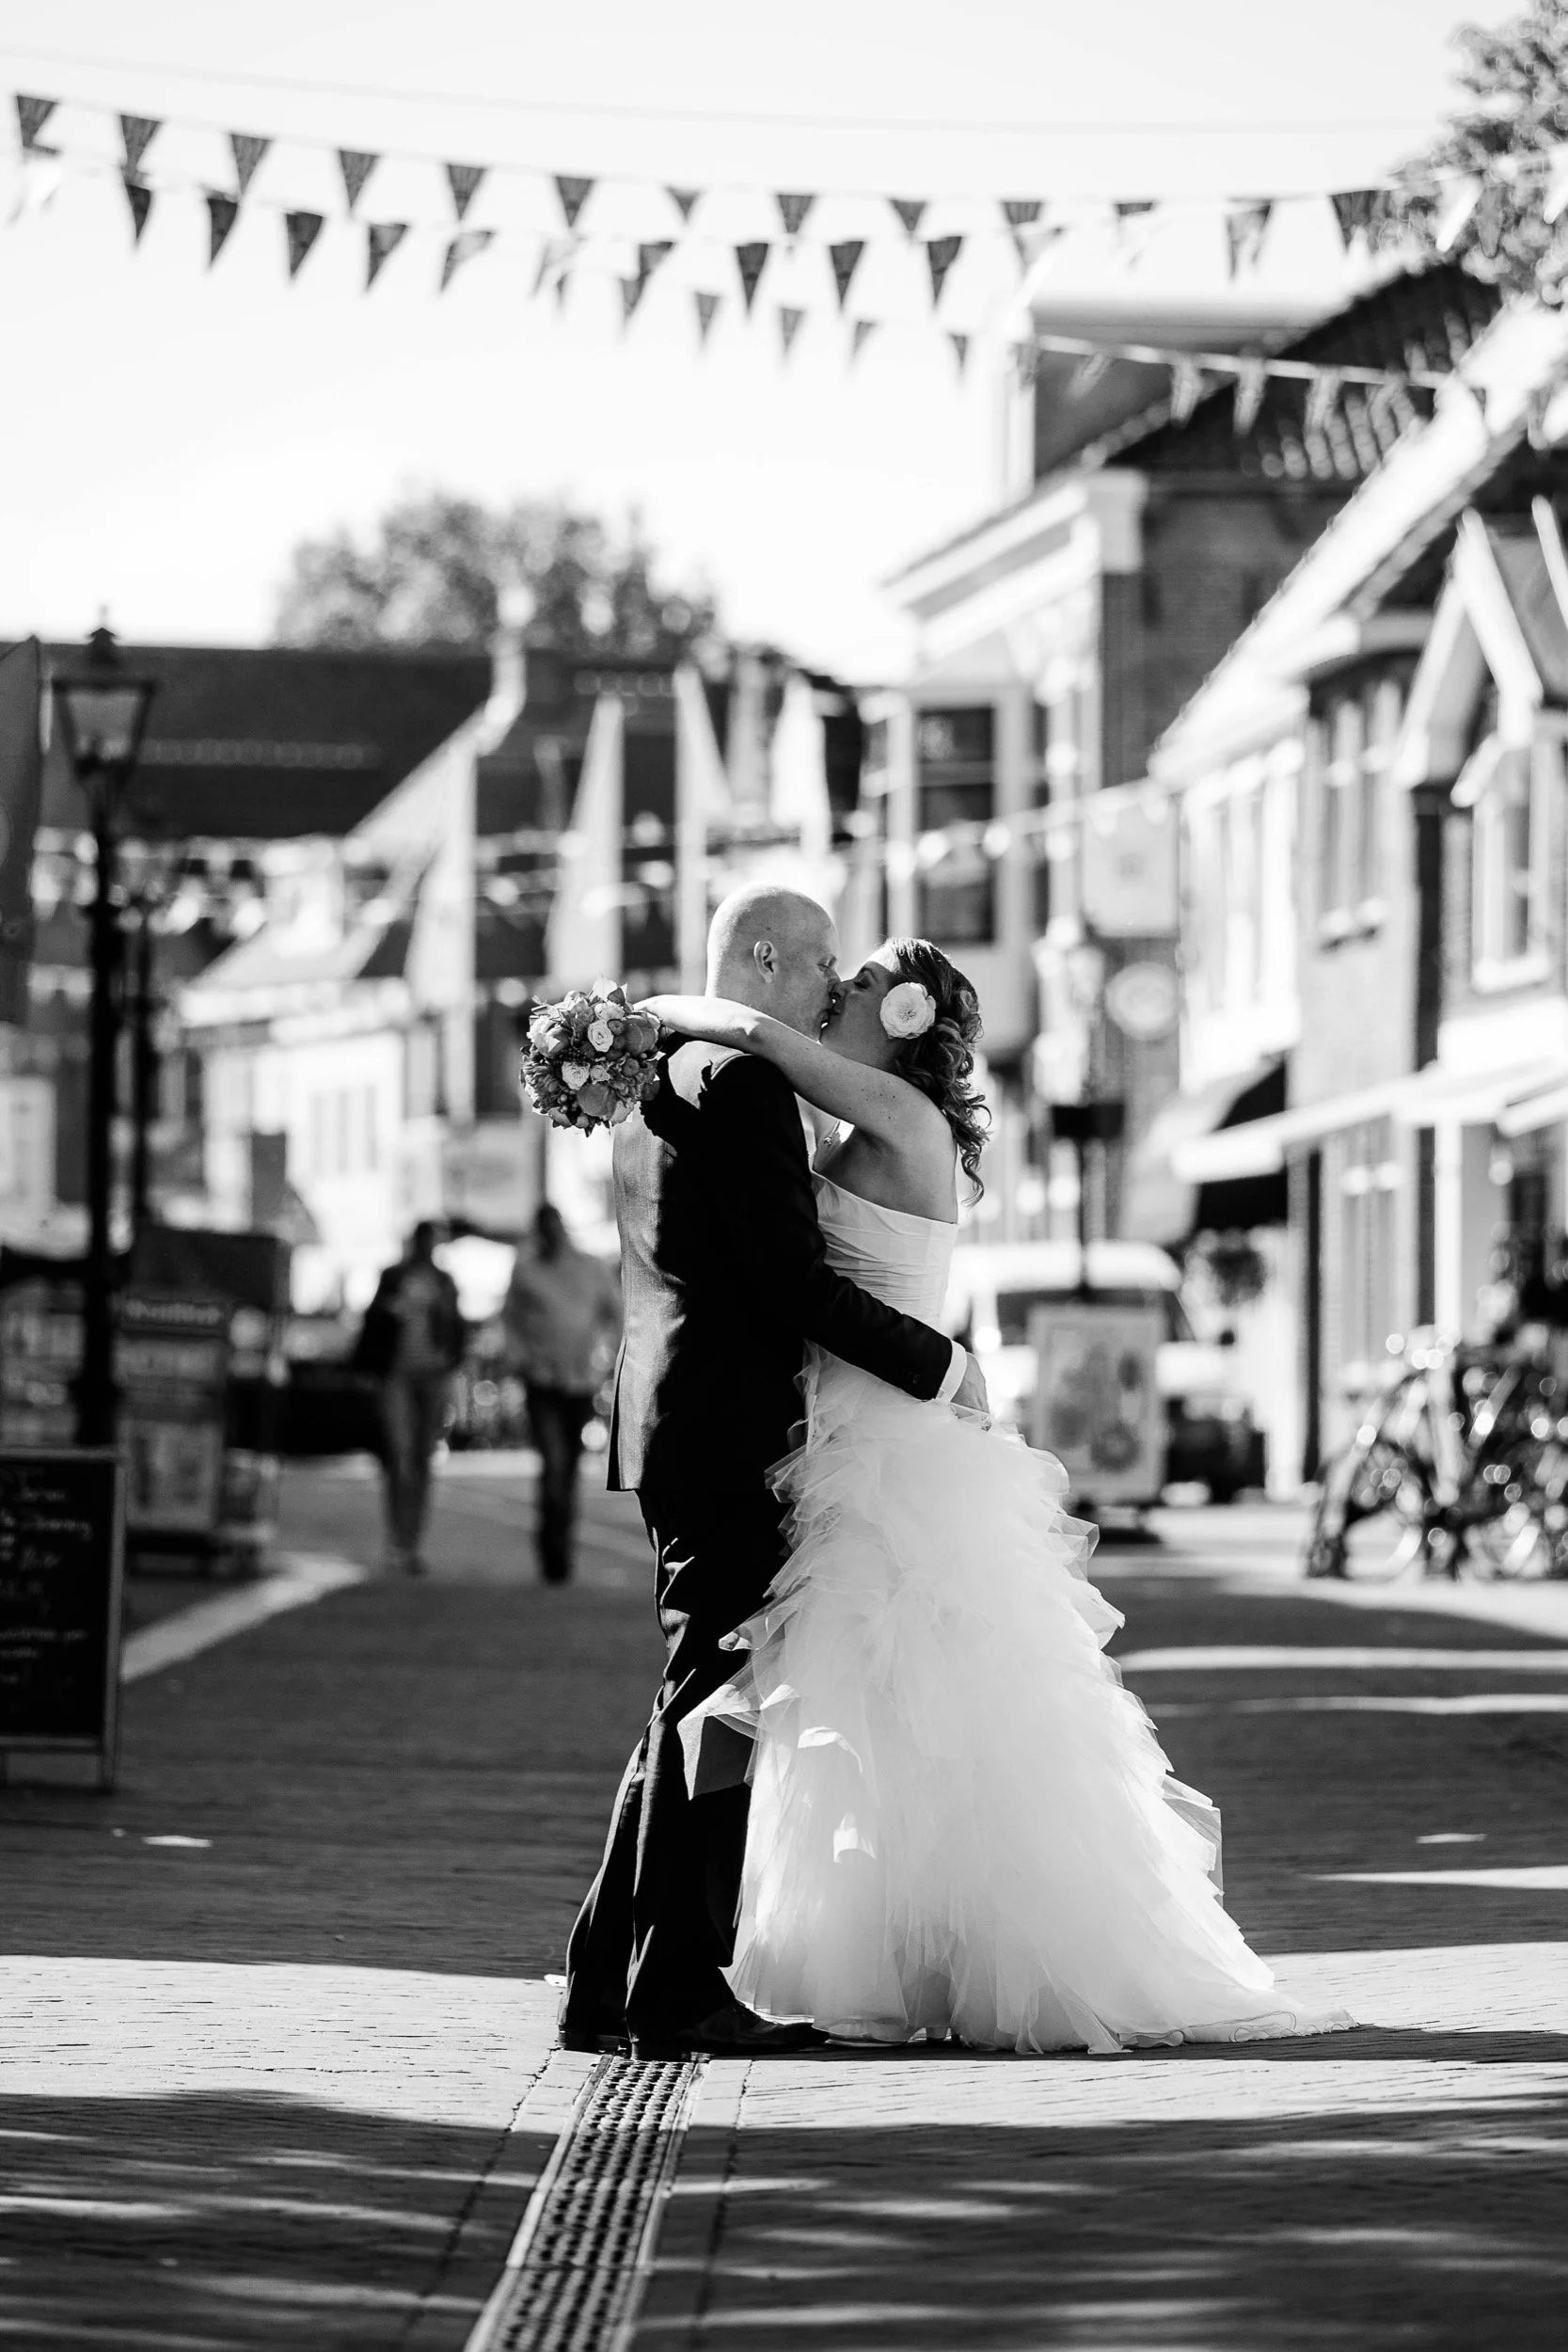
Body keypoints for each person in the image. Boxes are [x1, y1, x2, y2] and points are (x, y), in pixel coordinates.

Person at [637, 939, 1357, 2056]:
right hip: (831, 1435)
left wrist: (639, 1012)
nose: (836, 992)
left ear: (905, 1013)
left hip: (880, 1446)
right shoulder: (862, 1115)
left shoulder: (889, 1112)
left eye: (860, 982)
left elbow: (756, 1032)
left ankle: (940, 1954)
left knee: (907, 1705)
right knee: (856, 1711)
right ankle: (859, 1953)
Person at [560, 885, 989, 2062]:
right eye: (820, 969)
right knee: (721, 1712)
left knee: (689, 1703)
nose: (824, 990)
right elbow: (791, 1283)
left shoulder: (656, 1071)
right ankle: (677, 1990)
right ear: (766, 957)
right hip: (733, 1431)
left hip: (668, 1422)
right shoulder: (739, 1082)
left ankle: (608, 1980)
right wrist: (943, 1366)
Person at [503, 1201, 622, 1584]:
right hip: (543, 1381)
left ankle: (560, 1547)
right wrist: (523, 1359)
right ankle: (552, 1548)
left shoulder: (591, 1268)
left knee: (567, 1468)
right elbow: (510, 1321)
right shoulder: (526, 1270)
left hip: (579, 1382)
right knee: (555, 1464)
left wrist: (605, 1360)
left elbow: (615, 1315)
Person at [354, 1221, 465, 1576]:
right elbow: (372, 1321)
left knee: (422, 1459)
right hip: (397, 1374)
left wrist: (450, 1358)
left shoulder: (444, 1281)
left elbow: (457, 1328)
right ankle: (398, 1541)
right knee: (400, 1457)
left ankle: (411, 1542)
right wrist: (390, 1310)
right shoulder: (393, 1276)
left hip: (433, 1373)